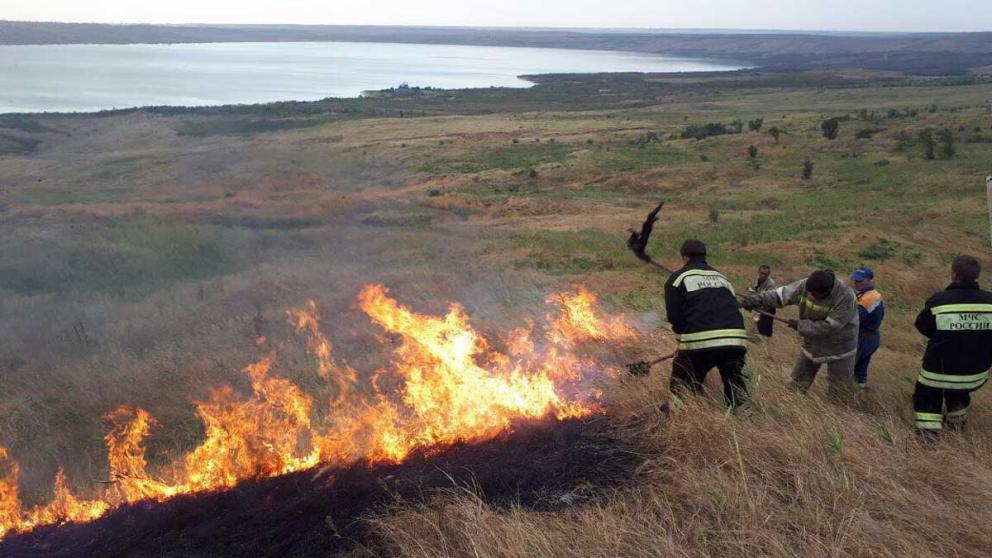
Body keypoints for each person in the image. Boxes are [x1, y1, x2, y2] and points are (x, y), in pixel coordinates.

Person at [740, 270, 859, 399]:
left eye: (815, 294)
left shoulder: (845, 296)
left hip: (839, 346)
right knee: (797, 384)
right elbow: (779, 296)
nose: (811, 296)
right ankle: (793, 403)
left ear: (828, 290)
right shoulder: (805, 285)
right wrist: (756, 300)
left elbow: (830, 327)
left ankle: (838, 413)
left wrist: (800, 325)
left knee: (840, 389)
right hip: (812, 342)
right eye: (810, 293)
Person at [912, 255, 992, 436]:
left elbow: (922, 327)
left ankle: (928, 437)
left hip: (937, 373)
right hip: (974, 375)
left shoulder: (938, 301)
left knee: (927, 398)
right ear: (976, 276)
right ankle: (956, 429)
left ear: (954, 275)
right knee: (959, 395)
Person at [664, 240, 749, 409]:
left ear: (684, 257)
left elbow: (675, 316)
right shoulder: (722, 278)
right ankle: (743, 416)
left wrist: (682, 341)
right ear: (704, 257)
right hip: (736, 341)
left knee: (682, 379)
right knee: (733, 379)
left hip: (701, 341)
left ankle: (678, 416)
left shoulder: (677, 279)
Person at [851, 266, 885, 388]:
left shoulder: (868, 298)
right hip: (870, 337)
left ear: (869, 281)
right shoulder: (871, 294)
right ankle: (861, 390)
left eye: (860, 280)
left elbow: (855, 320)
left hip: (864, 337)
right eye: (855, 280)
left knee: (850, 367)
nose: (856, 283)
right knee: (861, 368)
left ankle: (847, 394)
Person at [747, 265, 778, 337]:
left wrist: (761, 307)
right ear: (758, 272)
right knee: (756, 321)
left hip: (768, 307)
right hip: (757, 304)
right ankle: (756, 335)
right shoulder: (755, 281)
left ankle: (766, 338)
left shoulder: (771, 284)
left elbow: (770, 299)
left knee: (765, 326)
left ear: (768, 275)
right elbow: (750, 292)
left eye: (765, 274)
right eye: (761, 273)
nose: (763, 275)